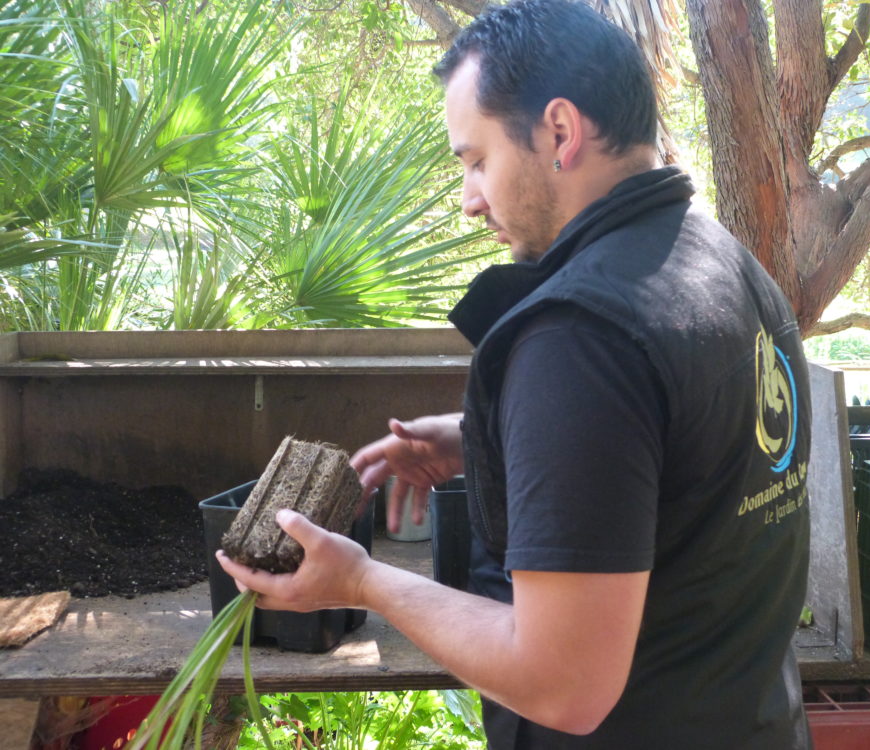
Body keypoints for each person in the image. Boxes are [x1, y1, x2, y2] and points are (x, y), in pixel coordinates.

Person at [217, 1, 814, 747]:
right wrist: (490, 434)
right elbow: (681, 453)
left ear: (560, 132)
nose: (470, 200)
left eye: (476, 160)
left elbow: (564, 684)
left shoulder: (581, 337)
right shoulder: (722, 262)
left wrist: (361, 581)